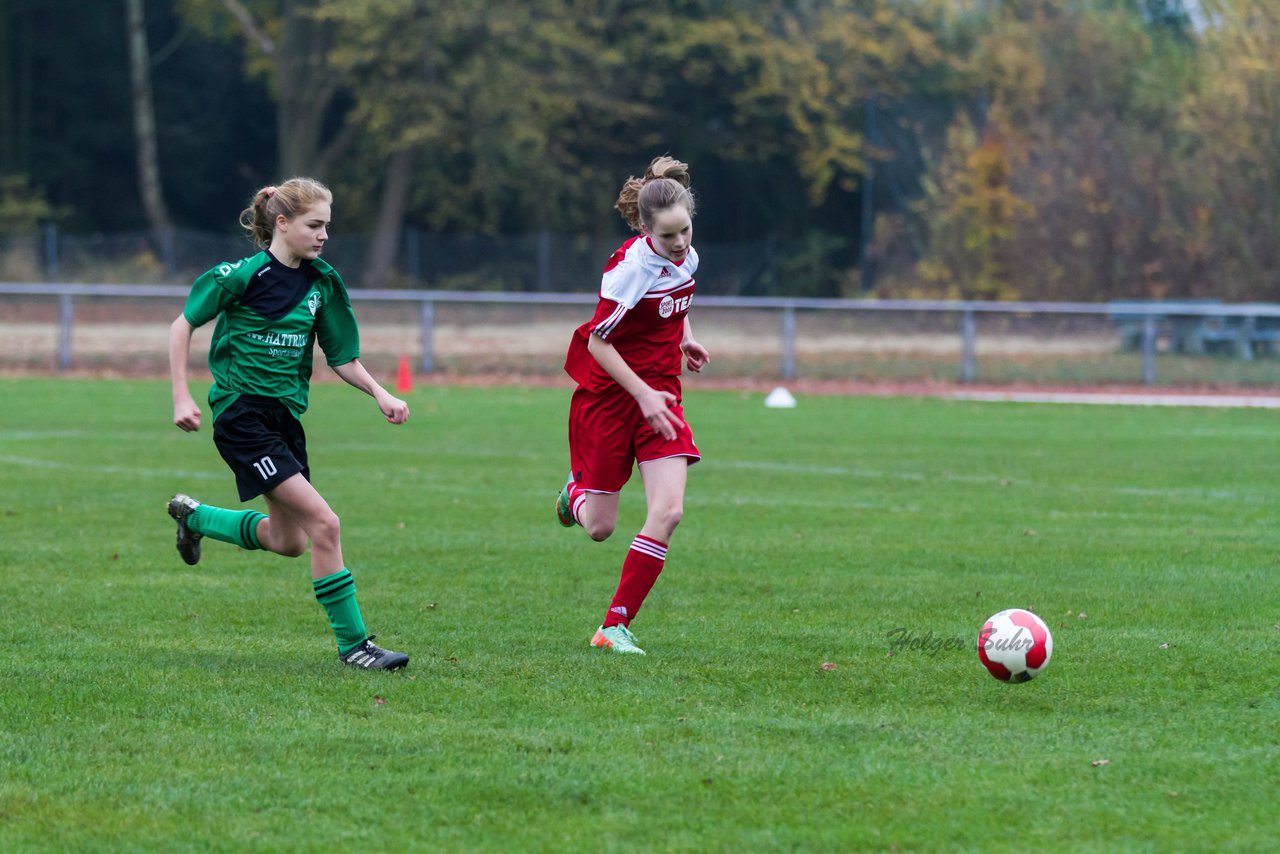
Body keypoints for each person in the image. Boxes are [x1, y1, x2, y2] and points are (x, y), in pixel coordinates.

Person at [166, 177, 411, 671]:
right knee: (326, 524)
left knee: (289, 541)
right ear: (282, 223)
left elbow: (341, 356)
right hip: (241, 415)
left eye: (327, 227)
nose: (323, 236)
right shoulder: (242, 275)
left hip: (284, 420)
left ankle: (194, 517)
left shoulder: (322, 282)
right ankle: (355, 647)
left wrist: (380, 392)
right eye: (314, 225)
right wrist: (181, 396)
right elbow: (182, 325)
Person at [556, 155, 710, 655]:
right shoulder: (629, 270)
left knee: (668, 511)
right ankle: (573, 495)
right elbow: (598, 341)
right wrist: (639, 392)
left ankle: (613, 626)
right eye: (668, 236)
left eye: (685, 230)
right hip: (610, 400)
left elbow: (678, 298)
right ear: (646, 230)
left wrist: (686, 337)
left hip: (661, 400)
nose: (680, 243)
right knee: (600, 528)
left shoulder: (686, 257)